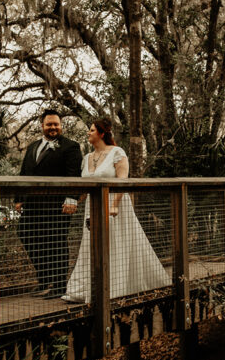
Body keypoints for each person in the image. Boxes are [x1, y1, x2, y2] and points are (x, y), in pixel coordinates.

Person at [63, 118, 170, 303]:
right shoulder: (87, 157)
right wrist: (74, 201)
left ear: (102, 133)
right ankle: (88, 288)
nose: (88, 133)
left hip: (115, 204)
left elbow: (123, 181)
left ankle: (114, 287)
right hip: (92, 205)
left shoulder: (117, 152)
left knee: (114, 243)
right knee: (91, 244)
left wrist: (114, 205)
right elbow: (83, 186)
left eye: (91, 130)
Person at [17, 109, 83, 297]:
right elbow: (24, 173)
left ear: (61, 126)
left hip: (58, 205)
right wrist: (19, 198)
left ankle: (59, 285)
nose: (53, 127)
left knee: (56, 242)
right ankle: (45, 280)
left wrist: (72, 198)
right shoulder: (33, 146)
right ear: (42, 126)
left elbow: (74, 175)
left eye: (56, 124)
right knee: (25, 234)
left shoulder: (71, 147)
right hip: (33, 205)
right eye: (49, 124)